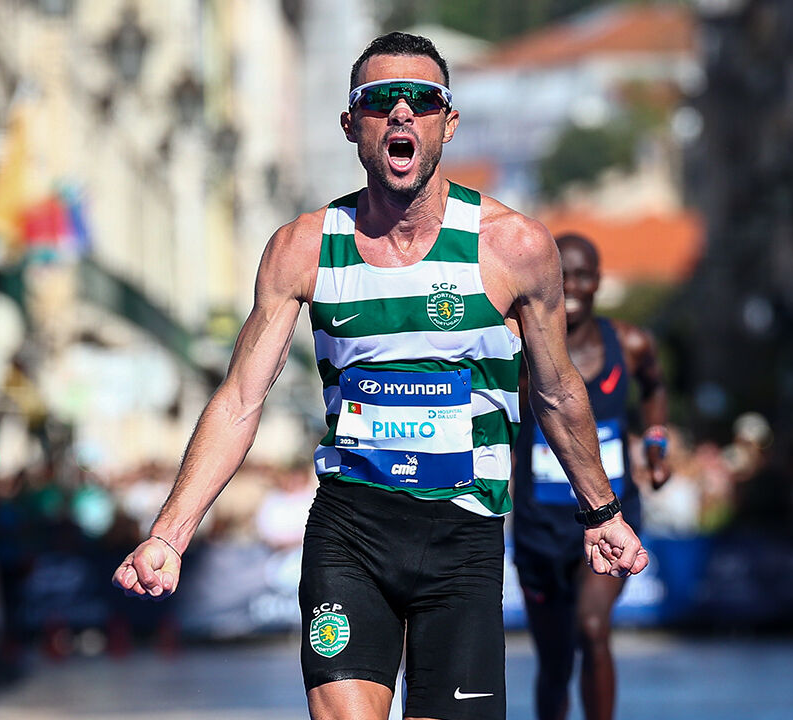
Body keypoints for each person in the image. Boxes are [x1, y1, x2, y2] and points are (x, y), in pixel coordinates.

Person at [111, 32, 648, 720]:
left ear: (447, 124)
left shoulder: (513, 246)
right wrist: (169, 534)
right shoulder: (305, 247)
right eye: (379, 100)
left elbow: (556, 390)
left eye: (422, 100)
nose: (401, 112)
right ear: (350, 125)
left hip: (463, 536)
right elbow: (242, 398)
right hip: (350, 531)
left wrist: (601, 511)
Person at [511, 233, 669, 720]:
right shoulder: (516, 345)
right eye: (563, 275)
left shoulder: (630, 342)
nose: (573, 286)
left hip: (608, 518)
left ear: (599, 281)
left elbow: (654, 385)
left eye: (583, 275)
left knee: (593, 627)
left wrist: (656, 441)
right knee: (554, 662)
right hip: (540, 524)